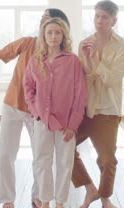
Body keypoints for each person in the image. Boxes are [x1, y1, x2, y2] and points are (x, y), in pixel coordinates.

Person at [0, 9, 70, 208]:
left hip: (38, 114)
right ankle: (7, 200)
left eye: (47, 21)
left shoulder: (64, 58)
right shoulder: (27, 43)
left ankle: (38, 197)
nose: (42, 24)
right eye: (41, 20)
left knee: (40, 157)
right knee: (6, 154)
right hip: (12, 105)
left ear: (59, 29)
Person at [71, 0, 124, 208]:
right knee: (63, 148)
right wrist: (88, 60)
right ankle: (90, 189)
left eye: (104, 17)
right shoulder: (84, 43)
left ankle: (105, 198)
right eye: (97, 16)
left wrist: (95, 60)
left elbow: (111, 80)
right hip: (84, 110)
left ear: (113, 20)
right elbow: (83, 77)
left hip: (107, 111)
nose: (99, 21)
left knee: (107, 160)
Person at [23, 17, 87, 208]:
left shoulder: (72, 61)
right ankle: (45, 201)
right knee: (42, 161)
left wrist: (72, 125)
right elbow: (28, 89)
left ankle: (60, 202)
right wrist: (37, 114)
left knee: (65, 163)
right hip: (42, 121)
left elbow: (80, 94)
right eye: (49, 32)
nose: (53, 36)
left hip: (66, 123)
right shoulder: (35, 61)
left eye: (57, 32)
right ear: (44, 35)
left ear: (63, 35)